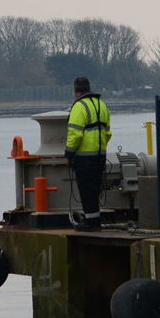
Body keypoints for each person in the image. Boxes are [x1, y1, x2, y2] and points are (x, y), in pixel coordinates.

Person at [65, 76, 112, 231]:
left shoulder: (79, 107)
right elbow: (107, 132)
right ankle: (94, 220)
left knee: (86, 190)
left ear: (75, 90)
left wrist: (69, 154)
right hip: (100, 156)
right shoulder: (102, 105)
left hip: (84, 157)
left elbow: (75, 134)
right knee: (95, 189)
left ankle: (91, 223)